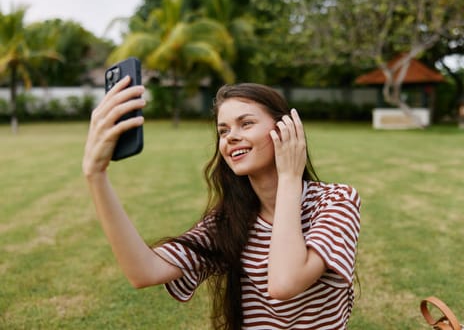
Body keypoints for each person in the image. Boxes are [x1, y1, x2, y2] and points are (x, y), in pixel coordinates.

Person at [83, 78, 361, 330]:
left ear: (286, 129)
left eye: (246, 123)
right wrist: (96, 175)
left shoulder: (336, 202)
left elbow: (284, 283)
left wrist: (289, 177)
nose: (230, 137)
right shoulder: (229, 221)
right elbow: (144, 272)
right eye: (223, 130)